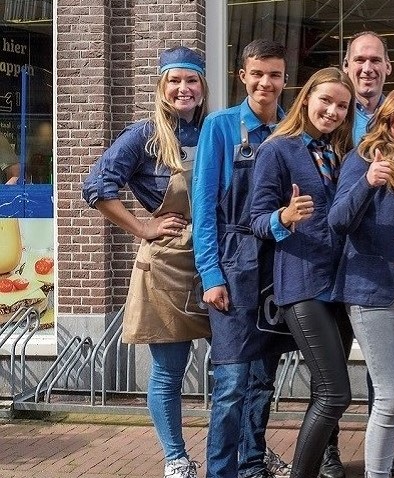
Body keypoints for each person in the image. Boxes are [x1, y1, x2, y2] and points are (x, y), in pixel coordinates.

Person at [82, 46, 211, 478]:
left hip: (216, 257)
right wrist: (142, 227)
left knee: (237, 368)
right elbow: (96, 186)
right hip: (168, 263)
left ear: (203, 86)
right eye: (174, 80)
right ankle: (176, 458)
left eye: (191, 80)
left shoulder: (215, 130)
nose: (183, 88)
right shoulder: (144, 136)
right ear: (161, 86)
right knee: (169, 371)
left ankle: (243, 452)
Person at [192, 38, 296, 478]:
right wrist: (210, 274)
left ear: (285, 79)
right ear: (243, 76)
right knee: (232, 382)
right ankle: (221, 472)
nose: (265, 83)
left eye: (274, 75)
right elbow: (203, 207)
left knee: (263, 380)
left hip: (278, 267)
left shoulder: (291, 129)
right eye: (257, 74)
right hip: (234, 264)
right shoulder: (220, 127)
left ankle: (252, 465)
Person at [250, 67, 355, 478]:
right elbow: (257, 219)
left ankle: (317, 465)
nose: (332, 111)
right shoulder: (278, 149)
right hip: (302, 283)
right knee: (335, 393)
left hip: (341, 286)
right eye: (325, 100)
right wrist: (284, 217)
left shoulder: (343, 152)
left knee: (324, 391)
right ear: (307, 97)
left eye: (342, 106)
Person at [328, 84, 394, 478]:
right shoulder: (364, 157)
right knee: (391, 396)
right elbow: (338, 220)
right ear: (387, 118)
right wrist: (367, 182)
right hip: (373, 290)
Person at [342, 30, 394, 478]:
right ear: (347, 66)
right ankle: (331, 451)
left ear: (388, 67)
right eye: (359, 60)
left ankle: (384, 453)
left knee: (382, 377)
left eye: (375, 60)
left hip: (375, 264)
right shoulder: (332, 110)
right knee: (330, 372)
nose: (367, 68)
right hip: (328, 259)